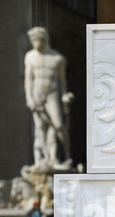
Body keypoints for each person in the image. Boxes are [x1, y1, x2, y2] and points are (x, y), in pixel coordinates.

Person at [24, 27, 74, 167]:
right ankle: (45, 158)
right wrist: (29, 98)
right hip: (37, 93)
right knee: (40, 127)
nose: (34, 43)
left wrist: (64, 95)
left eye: (36, 39)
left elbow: (62, 81)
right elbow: (28, 79)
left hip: (52, 93)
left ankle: (67, 155)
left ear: (44, 39)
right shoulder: (30, 56)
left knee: (58, 124)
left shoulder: (58, 59)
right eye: (32, 40)